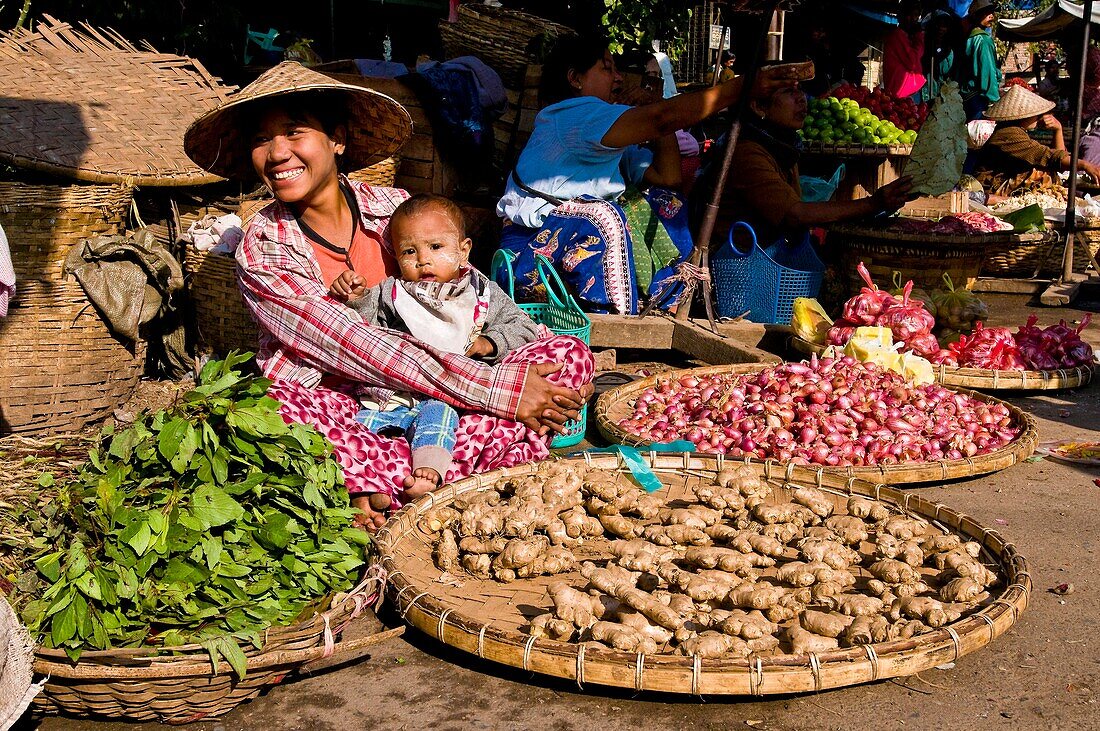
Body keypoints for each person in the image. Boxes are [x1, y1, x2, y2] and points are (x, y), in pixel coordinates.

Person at [184, 62, 594, 531]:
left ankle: (392, 481)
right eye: (261, 140)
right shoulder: (263, 247)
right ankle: (453, 467)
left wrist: (503, 356)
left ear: (336, 139)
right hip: (352, 398)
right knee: (277, 409)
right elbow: (357, 347)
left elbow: (470, 289)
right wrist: (498, 392)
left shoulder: (391, 207)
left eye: (294, 132)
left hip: (450, 377)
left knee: (568, 354)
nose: (277, 153)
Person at [494, 33, 806, 315]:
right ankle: (613, 315)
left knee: (665, 201)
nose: (618, 77)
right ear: (575, 78)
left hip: (564, 250)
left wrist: (655, 108)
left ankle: (660, 300)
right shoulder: (574, 114)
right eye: (607, 68)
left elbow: (667, 177)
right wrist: (739, 88)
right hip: (530, 255)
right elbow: (660, 119)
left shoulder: (605, 135)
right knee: (602, 214)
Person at [328, 193, 542, 497]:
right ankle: (375, 483)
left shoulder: (482, 293)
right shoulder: (392, 292)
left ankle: (427, 475)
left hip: (450, 397)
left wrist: (490, 343)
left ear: (463, 251)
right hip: (393, 395)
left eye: (436, 247)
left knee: (438, 421)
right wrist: (357, 298)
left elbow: (523, 326)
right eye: (409, 251)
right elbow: (365, 332)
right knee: (361, 430)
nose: (423, 260)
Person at [706, 72, 912, 251]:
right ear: (759, 107)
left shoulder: (783, 145)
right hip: (741, 263)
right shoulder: (747, 153)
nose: (801, 98)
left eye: (800, 90)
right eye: (789, 92)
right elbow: (795, 214)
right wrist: (872, 203)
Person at [974, 84, 1100, 197]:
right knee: (1040, 172)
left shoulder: (1017, 130)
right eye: (1036, 114)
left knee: (1049, 170)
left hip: (1000, 183)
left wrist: (1058, 129)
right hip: (989, 188)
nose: (1040, 117)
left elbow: (1057, 155)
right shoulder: (1008, 133)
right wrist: (1085, 165)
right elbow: (1046, 155)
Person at [958, 0, 1002, 121]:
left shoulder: (969, 38)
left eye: (992, 12)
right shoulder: (983, 40)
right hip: (979, 100)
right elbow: (988, 74)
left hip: (967, 98)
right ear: (976, 16)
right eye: (986, 13)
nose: (991, 16)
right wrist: (994, 101)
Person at [883, 0, 926, 102]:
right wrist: (920, 38)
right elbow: (913, 63)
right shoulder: (898, 36)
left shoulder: (906, 37)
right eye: (909, 14)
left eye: (916, 15)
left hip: (905, 92)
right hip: (902, 94)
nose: (911, 19)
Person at [921, 10, 959, 104]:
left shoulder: (948, 50)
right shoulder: (922, 45)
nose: (941, 29)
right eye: (938, 25)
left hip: (939, 93)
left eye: (944, 26)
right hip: (923, 91)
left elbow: (945, 71)